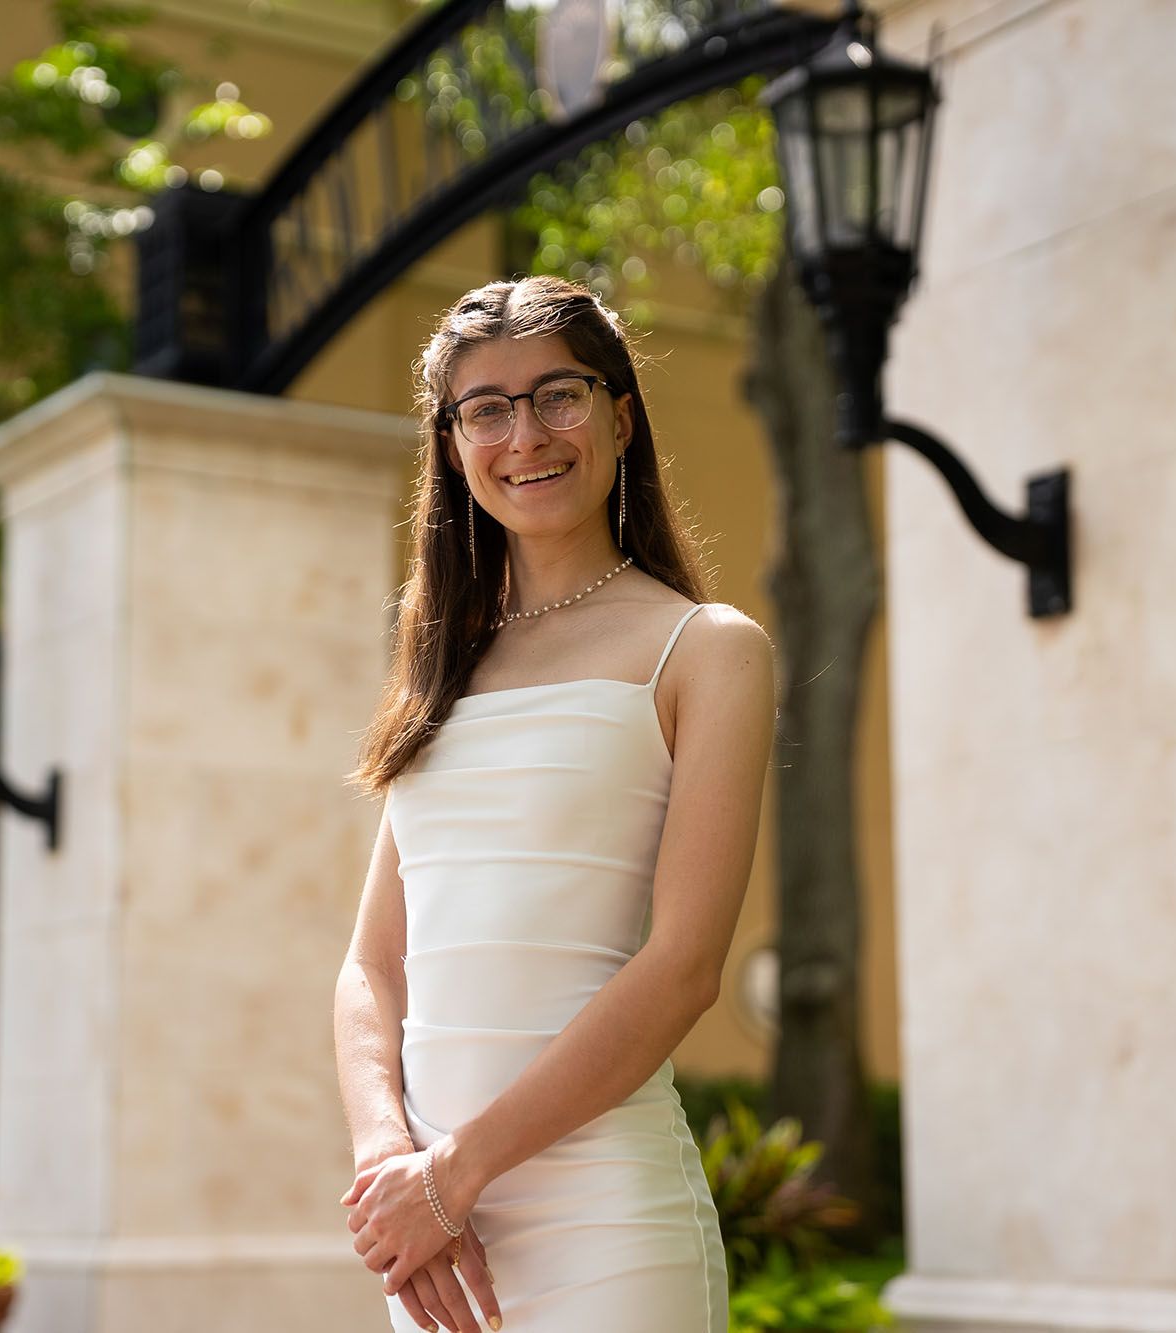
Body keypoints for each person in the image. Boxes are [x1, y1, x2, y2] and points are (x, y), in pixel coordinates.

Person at [330, 274, 775, 1333]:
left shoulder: (705, 648)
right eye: (484, 408)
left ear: (620, 416)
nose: (523, 434)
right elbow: (369, 967)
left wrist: (456, 1170)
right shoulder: (441, 670)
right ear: (450, 445)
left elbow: (682, 969)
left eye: (556, 396)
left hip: (605, 1227)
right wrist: (390, 1163)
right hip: (439, 1245)